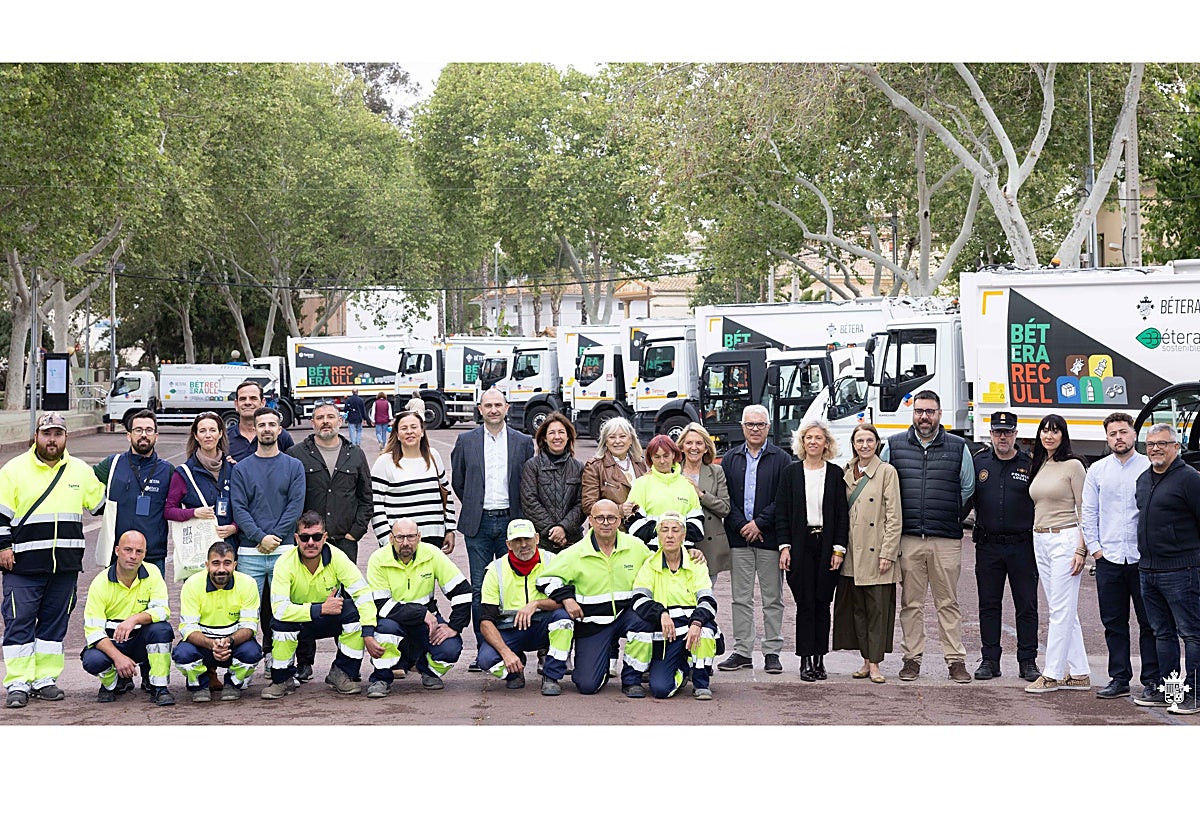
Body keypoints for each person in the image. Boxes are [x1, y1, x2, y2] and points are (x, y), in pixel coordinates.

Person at [0, 412, 106, 708]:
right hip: (22, 565)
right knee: (19, 622)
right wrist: (2, 547)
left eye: (57, 434)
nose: (52, 439)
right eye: (46, 433)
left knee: (53, 625)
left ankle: (44, 678)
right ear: (36, 436)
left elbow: (101, 504)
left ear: (65, 437)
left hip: (65, 566)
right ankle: (18, 682)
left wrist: (116, 468)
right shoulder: (14, 470)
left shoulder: (80, 471)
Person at [884, 390, 974, 683]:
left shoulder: (959, 447)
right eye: (920, 411)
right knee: (911, 604)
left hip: (945, 539)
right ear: (913, 413)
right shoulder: (894, 446)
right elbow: (884, 488)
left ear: (940, 414)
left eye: (931, 411)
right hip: (908, 538)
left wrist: (949, 516)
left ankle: (956, 661)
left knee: (948, 602)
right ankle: (911, 659)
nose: (925, 416)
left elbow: (967, 489)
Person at [451, 387, 534, 668]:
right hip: (479, 522)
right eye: (488, 405)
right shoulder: (466, 441)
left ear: (507, 408)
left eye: (498, 404)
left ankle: (509, 644)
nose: (493, 410)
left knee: (510, 587)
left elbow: (526, 481)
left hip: (512, 523)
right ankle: (484, 647)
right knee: (480, 588)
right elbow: (459, 482)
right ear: (480, 409)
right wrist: (475, 503)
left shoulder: (523, 442)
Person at [537, 499, 655, 696]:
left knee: (645, 621)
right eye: (600, 518)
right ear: (590, 521)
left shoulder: (636, 547)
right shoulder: (575, 552)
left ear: (619, 521)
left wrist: (692, 554)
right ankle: (592, 668)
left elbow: (658, 566)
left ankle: (632, 680)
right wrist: (567, 599)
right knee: (587, 686)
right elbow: (546, 579)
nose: (606, 522)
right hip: (592, 623)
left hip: (626, 616)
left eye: (611, 518)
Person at [1082, 411, 1159, 701]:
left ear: (1134, 434)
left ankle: (1151, 679)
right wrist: (1096, 549)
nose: (1119, 437)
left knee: (1149, 623)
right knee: (1113, 623)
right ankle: (1119, 678)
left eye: (1123, 432)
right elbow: (1089, 512)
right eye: (1113, 433)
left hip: (1143, 560)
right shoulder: (1098, 470)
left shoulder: (1149, 467)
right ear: (1107, 437)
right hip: (1109, 559)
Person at [260, 511, 377, 699]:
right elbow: (280, 609)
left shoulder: (338, 557)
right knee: (280, 624)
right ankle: (282, 679)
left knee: (354, 613)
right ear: (296, 538)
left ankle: (342, 673)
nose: (311, 543)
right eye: (305, 537)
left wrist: (369, 632)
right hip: (299, 619)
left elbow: (363, 594)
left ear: (325, 537)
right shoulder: (284, 562)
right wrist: (320, 609)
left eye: (316, 537)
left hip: (329, 618)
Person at [966, 411, 1041, 682]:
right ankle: (989, 660)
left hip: (1022, 546)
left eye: (1008, 432)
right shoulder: (979, 462)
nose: (1003, 437)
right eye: (998, 432)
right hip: (988, 546)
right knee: (988, 604)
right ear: (990, 434)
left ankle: (1027, 661)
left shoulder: (1030, 464)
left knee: (1027, 605)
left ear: (1016, 434)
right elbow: (965, 499)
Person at [230, 406, 306, 670]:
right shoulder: (242, 469)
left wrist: (274, 536)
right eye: (261, 425)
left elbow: (295, 506)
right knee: (247, 611)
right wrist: (259, 537)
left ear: (279, 429)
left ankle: (283, 663)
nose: (266, 429)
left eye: (271, 425)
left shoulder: (294, 466)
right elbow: (239, 508)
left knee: (283, 610)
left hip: (284, 550)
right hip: (250, 553)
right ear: (256, 429)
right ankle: (244, 666)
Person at [718, 404, 791, 675]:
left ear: (768, 427)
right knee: (741, 598)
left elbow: (782, 499)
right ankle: (742, 651)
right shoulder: (730, 459)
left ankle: (772, 651)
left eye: (760, 424)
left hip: (770, 539)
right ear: (742, 427)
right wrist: (742, 526)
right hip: (739, 540)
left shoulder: (782, 459)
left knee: (773, 598)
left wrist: (759, 523)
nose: (755, 429)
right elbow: (727, 500)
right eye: (750, 424)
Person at [363, 517, 472, 696]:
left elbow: (463, 591)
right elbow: (381, 606)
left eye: (411, 537)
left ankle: (426, 669)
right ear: (391, 538)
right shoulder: (378, 559)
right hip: (393, 620)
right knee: (385, 630)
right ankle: (381, 678)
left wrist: (454, 626)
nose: (406, 543)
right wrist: (421, 613)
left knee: (451, 648)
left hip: (426, 622)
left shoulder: (432, 553)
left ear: (419, 537)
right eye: (400, 537)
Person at [1133, 423, 1200, 713]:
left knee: (1192, 634)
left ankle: (1196, 693)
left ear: (1177, 446)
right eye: (1150, 444)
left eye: (1162, 443)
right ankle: (1170, 691)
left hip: (1182, 571)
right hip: (1148, 571)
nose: (1155, 448)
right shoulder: (1143, 479)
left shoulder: (1190, 480)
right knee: (1163, 634)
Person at [776, 419, 849, 680]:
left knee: (822, 602)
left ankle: (820, 659)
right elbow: (782, 514)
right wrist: (785, 548)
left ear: (826, 443)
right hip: (800, 545)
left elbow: (842, 516)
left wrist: (838, 550)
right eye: (809, 438)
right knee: (804, 603)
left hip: (827, 544)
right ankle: (805, 659)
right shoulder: (791, 473)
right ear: (802, 442)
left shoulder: (835, 474)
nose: (813, 442)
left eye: (819, 438)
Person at [1024, 414, 1091, 694]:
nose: (1049, 436)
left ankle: (1051, 674)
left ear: (1064, 435)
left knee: (1060, 611)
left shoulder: (1074, 465)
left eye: (1055, 431)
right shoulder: (1041, 463)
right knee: (1062, 610)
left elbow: (1085, 509)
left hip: (1065, 539)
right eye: (1044, 431)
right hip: (1040, 539)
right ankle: (1079, 672)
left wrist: (1081, 548)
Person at [831, 423, 902, 684]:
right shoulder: (846, 472)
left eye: (869, 441)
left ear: (877, 444)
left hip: (877, 552)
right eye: (859, 441)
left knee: (878, 611)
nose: (864, 446)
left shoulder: (886, 472)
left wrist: (888, 552)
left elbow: (894, 516)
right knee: (857, 610)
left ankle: (876, 664)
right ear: (853, 444)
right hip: (851, 552)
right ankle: (864, 660)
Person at [623, 512, 720, 700]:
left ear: (684, 535)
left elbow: (708, 599)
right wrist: (661, 614)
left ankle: (701, 682)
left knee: (706, 632)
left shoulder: (696, 562)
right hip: (668, 630)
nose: (669, 535)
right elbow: (639, 598)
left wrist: (697, 622)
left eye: (675, 530)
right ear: (658, 535)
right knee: (660, 690)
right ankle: (684, 668)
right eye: (664, 530)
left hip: (693, 626)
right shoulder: (650, 564)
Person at [80, 531, 175, 706]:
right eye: (128, 550)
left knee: (162, 629)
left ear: (145, 554)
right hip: (112, 641)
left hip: (140, 640)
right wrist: (118, 657)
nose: (133, 556)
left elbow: (163, 611)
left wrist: (134, 619)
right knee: (92, 660)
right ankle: (113, 683)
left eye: (139, 551)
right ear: (117, 550)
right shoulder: (100, 582)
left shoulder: (153, 572)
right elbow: (93, 631)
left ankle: (158, 686)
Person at [472, 519, 567, 691]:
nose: (523, 545)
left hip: (542, 627)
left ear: (537, 538)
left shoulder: (553, 561)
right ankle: (515, 669)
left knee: (564, 619)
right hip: (510, 630)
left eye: (527, 539)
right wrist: (506, 653)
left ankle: (551, 675)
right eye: (517, 540)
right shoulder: (495, 570)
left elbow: (567, 602)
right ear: (508, 544)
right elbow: (485, 621)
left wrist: (536, 603)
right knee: (485, 661)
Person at [172, 541, 263, 701]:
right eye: (216, 563)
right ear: (207, 565)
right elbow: (188, 628)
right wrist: (211, 644)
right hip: (204, 646)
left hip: (233, 644)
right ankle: (200, 685)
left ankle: (233, 684)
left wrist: (228, 642)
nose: (221, 569)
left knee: (252, 652)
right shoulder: (192, 584)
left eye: (227, 563)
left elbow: (249, 627)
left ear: (235, 564)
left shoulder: (248, 583)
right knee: (182, 654)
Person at [93, 409, 174, 577]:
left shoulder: (168, 470)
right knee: (116, 603)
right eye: (138, 430)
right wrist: (99, 507)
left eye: (148, 430)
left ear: (156, 436)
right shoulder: (112, 465)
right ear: (128, 435)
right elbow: (85, 482)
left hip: (153, 555)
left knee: (154, 603)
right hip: (117, 555)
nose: (143, 435)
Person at [370, 410, 456, 551]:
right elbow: (376, 505)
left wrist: (450, 529)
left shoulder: (433, 456)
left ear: (422, 431)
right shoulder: (384, 462)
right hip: (401, 541)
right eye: (404, 428)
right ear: (397, 435)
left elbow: (447, 493)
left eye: (414, 427)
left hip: (434, 537)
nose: (409, 432)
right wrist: (387, 540)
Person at [165, 411, 239, 545]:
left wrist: (234, 527)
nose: (208, 435)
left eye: (212, 430)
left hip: (230, 546)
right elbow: (169, 510)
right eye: (202, 431)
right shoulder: (183, 473)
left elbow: (244, 506)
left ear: (220, 433)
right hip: (199, 546)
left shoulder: (233, 469)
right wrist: (194, 512)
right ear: (196, 436)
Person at [625, 434, 704, 550]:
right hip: (649, 552)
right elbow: (633, 525)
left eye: (666, 456)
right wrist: (671, 531)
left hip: (683, 552)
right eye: (656, 457)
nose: (662, 461)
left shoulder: (687, 485)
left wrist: (668, 534)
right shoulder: (641, 484)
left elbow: (697, 526)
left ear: (674, 455)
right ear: (650, 458)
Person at [520, 412, 585, 551]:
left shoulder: (579, 467)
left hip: (572, 541)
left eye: (561, 432)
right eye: (552, 433)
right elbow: (529, 501)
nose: (557, 437)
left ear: (568, 437)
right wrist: (551, 529)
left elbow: (582, 503)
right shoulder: (532, 466)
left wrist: (564, 528)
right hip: (542, 541)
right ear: (544, 437)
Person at [678, 423, 732, 580]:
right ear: (681, 447)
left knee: (705, 597)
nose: (693, 447)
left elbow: (725, 508)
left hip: (709, 545)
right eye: (689, 443)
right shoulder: (672, 471)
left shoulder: (716, 472)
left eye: (699, 443)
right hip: (678, 542)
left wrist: (701, 494)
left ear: (706, 448)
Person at [580, 416, 646, 518]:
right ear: (606, 441)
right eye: (612, 437)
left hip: (639, 529)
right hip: (610, 530)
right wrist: (619, 510)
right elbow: (588, 506)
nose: (617, 441)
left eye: (622, 436)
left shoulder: (639, 462)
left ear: (631, 440)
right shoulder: (594, 467)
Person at [227, 380, 294, 461]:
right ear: (236, 404)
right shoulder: (225, 438)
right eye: (242, 399)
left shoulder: (281, 436)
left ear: (263, 403)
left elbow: (291, 467)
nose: (247, 402)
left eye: (253, 398)